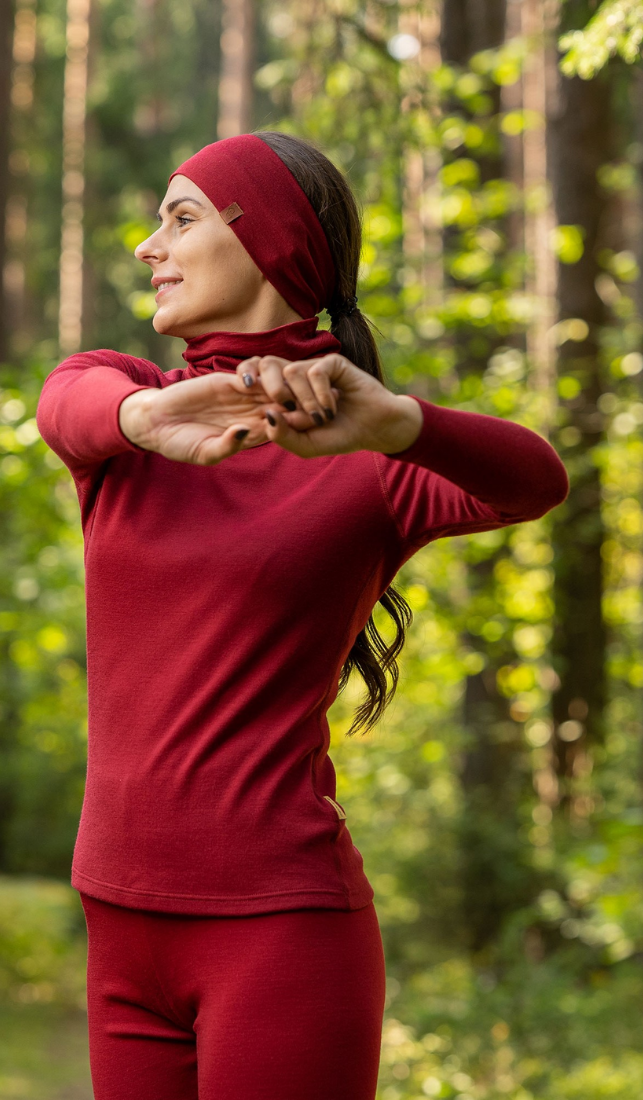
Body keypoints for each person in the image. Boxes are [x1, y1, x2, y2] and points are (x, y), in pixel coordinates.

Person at [35, 130, 569, 1100]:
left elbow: (534, 480)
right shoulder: (127, 411)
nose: (146, 245)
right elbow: (63, 399)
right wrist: (146, 421)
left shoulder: (365, 457)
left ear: (269, 243)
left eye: (180, 216)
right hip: (116, 923)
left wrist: (402, 422)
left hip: (278, 932)